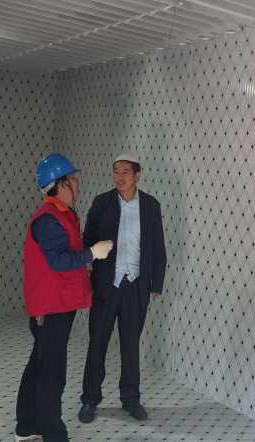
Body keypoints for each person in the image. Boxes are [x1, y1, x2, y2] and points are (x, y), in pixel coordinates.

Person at [15, 153, 113, 442]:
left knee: (40, 365)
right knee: (52, 373)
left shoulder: (63, 213)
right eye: (72, 179)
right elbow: (57, 260)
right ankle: (53, 434)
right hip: (51, 307)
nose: (78, 183)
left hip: (57, 304)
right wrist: (92, 253)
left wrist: (85, 260)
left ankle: (27, 425)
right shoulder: (48, 219)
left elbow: (65, 254)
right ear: (60, 184)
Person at [78, 153, 167, 423]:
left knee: (130, 346)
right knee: (97, 344)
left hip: (136, 285)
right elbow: (87, 240)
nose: (120, 177)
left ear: (137, 175)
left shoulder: (150, 205)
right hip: (106, 285)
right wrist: (87, 270)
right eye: (116, 171)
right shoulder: (102, 203)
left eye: (125, 171)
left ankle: (131, 400)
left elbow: (157, 245)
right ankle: (90, 400)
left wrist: (157, 282)